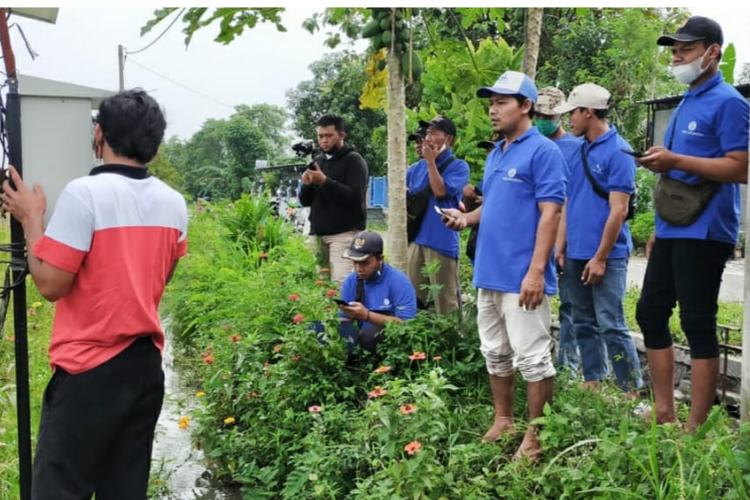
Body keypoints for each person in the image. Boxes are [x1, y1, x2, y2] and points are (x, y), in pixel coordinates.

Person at [1, 89, 188, 500]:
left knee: (59, 488)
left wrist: (33, 219)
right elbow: (163, 275)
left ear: (99, 134)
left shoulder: (84, 194)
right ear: (154, 147)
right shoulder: (175, 204)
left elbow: (51, 285)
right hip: (144, 366)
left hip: (89, 369)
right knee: (123, 488)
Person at [443, 71, 567, 461]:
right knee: (495, 352)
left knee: (532, 358)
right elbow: (492, 207)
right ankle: (504, 420)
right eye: (491, 103)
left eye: (502, 102)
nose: (493, 110)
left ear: (526, 105)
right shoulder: (497, 152)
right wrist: (465, 219)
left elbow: (551, 213)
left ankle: (537, 437)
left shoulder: (544, 151)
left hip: (521, 276)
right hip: (489, 273)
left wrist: (535, 271)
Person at [634, 16, 749, 430]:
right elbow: (679, 173)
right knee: (649, 313)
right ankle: (664, 411)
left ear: (713, 52)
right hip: (673, 227)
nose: (677, 57)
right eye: (675, 51)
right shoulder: (687, 100)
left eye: (686, 49)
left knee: (696, 322)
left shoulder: (730, 102)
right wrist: (657, 232)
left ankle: (695, 427)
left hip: (706, 230)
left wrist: (675, 159)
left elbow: (740, 168)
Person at [553, 84, 644, 394]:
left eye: (573, 114)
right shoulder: (578, 150)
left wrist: (601, 257)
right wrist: (561, 246)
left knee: (611, 323)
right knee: (582, 321)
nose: (570, 121)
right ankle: (592, 381)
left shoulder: (619, 151)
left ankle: (629, 390)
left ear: (588, 112)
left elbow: (618, 211)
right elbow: (568, 201)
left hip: (608, 256)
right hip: (576, 252)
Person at [536, 87, 585, 374]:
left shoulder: (577, 148)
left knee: (571, 306)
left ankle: (568, 366)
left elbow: (573, 198)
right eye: (539, 114)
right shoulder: (531, 146)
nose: (543, 119)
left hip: (569, 238)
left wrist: (562, 243)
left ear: (560, 115)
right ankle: (536, 361)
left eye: (548, 115)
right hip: (537, 237)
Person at [405, 115, 470, 314]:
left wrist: (431, 162)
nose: (428, 138)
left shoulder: (458, 166)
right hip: (417, 240)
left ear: (448, 140)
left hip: (441, 242)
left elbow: (441, 192)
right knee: (416, 299)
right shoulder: (414, 169)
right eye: (427, 133)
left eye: (434, 133)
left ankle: (449, 343)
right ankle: (420, 344)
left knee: (446, 303)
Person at [299, 115, 369, 286]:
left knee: (341, 286)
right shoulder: (317, 162)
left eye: (329, 136)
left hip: (343, 234)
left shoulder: (354, 161)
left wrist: (324, 181)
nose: (324, 140)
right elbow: (305, 201)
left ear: (341, 135)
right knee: (321, 288)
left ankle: (348, 314)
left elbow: (354, 198)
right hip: (318, 234)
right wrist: (307, 184)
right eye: (320, 136)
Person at [336, 231, 417, 353]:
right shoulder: (351, 281)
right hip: (359, 338)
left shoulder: (399, 282)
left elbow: (407, 325)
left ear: (380, 259)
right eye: (355, 262)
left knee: (369, 337)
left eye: (364, 263)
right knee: (318, 331)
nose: (358, 269)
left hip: (390, 341)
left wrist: (367, 316)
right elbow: (344, 320)